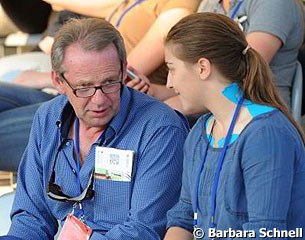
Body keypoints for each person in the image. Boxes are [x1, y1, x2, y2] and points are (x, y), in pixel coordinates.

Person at [0, 18, 189, 239]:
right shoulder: (48, 118)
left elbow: (143, 231)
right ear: (58, 81)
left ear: (123, 71)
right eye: (84, 87)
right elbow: (31, 218)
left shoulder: (160, 129)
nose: (99, 100)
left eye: (109, 83)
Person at [0, 0, 200, 172]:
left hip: (101, 100)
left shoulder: (176, 8)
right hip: (76, 89)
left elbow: (115, 73)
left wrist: (50, 78)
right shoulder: (135, 4)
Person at [162, 13, 305, 240]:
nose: (169, 83)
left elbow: (266, 233)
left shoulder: (266, 134)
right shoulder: (201, 131)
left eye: (172, 68)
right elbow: (185, 216)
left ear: (202, 68)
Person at [131, 0, 304, 114]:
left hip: (255, 114)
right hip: (211, 112)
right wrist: (152, 92)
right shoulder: (211, 3)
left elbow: (239, 77)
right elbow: (199, 82)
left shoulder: (275, 3)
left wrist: (165, 108)